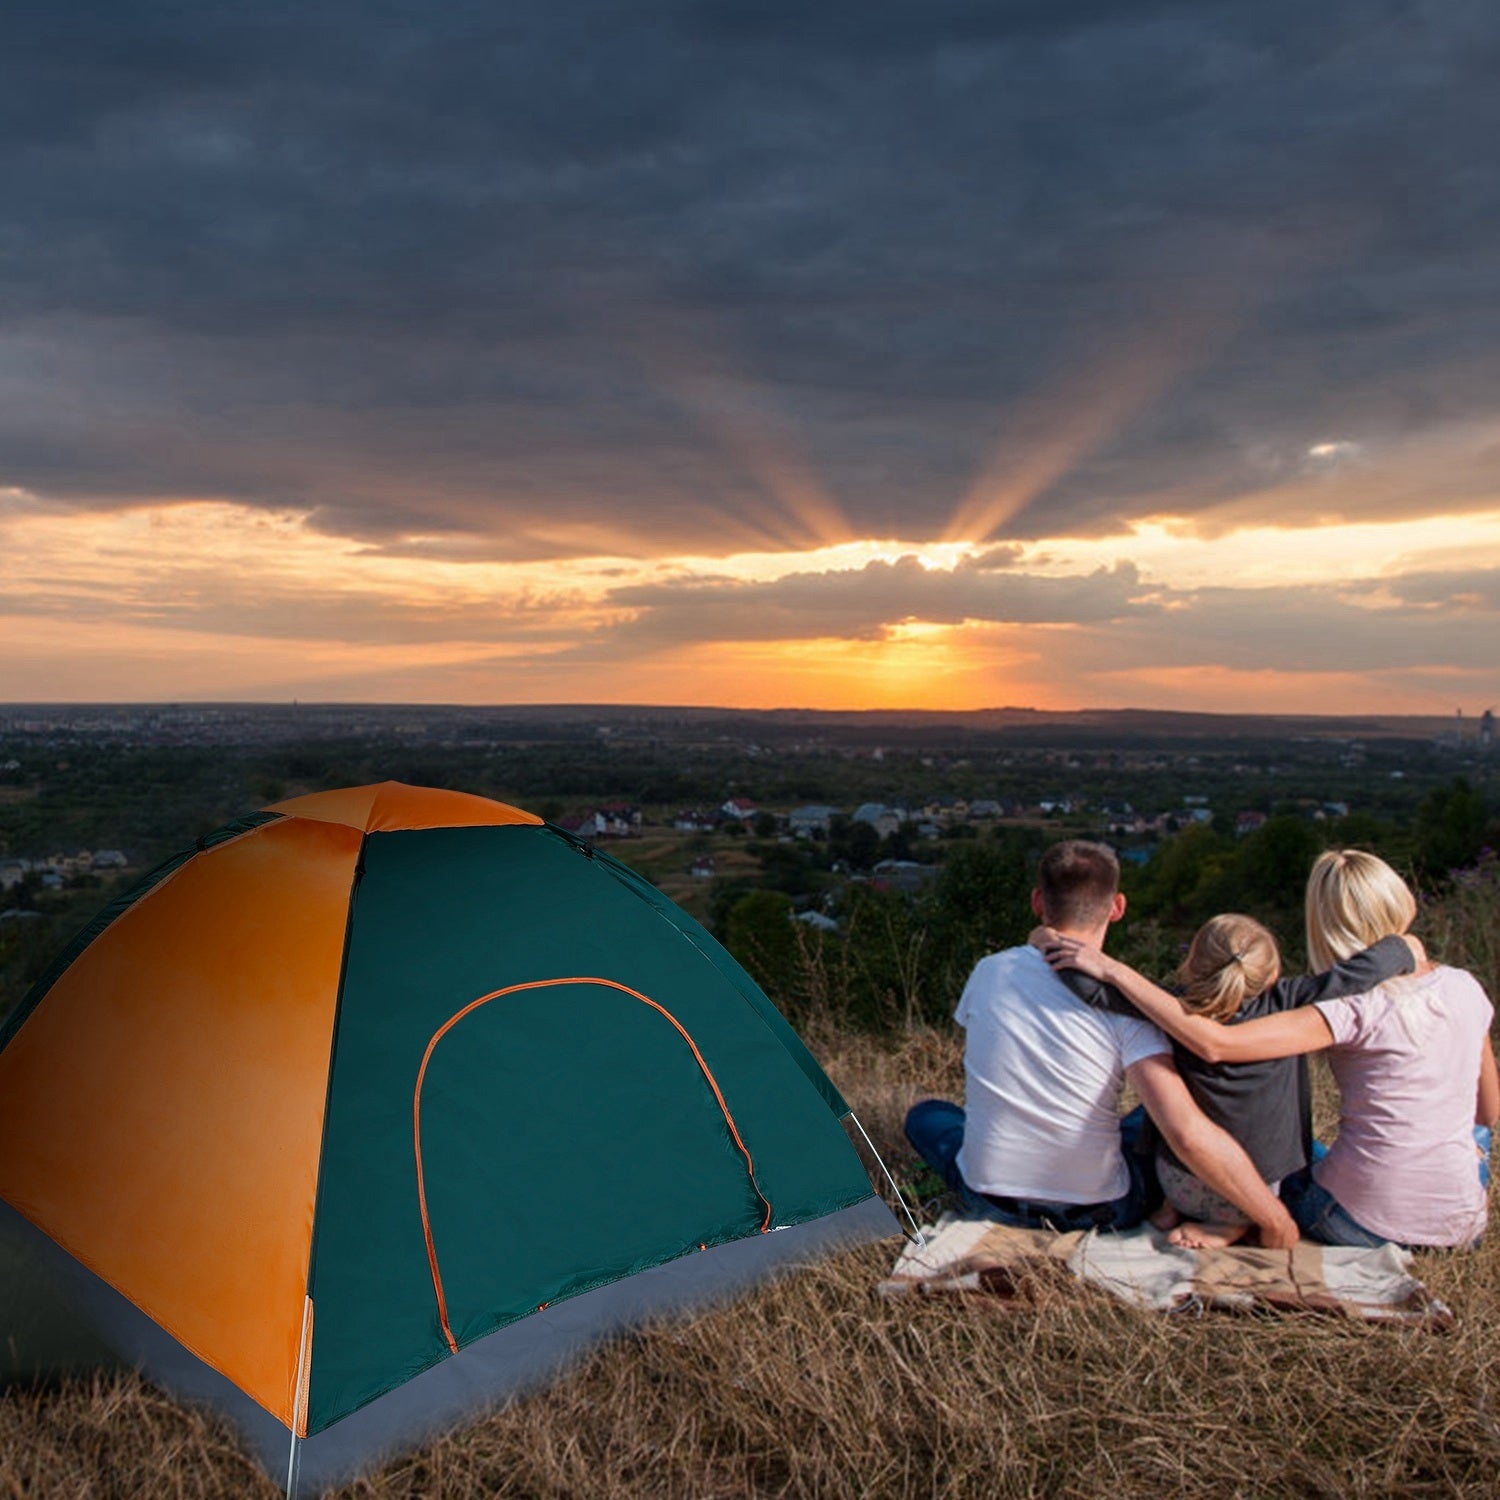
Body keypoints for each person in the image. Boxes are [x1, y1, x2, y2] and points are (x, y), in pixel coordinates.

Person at [1044, 849, 1499, 1251]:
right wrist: (1402, 947)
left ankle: (1205, 1212)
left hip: (1350, 1219)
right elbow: (1488, 1114)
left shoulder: (1345, 1011)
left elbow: (1213, 1042)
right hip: (1461, 1225)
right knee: (1471, 1136)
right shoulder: (1465, 986)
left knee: (1159, 1116)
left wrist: (1069, 949)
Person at [904, 839, 1297, 1245]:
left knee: (926, 1116)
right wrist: (1275, 1219)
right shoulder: (1127, 1006)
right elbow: (1184, 1132)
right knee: (1154, 1117)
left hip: (989, 1198)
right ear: (1118, 907)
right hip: (1101, 1209)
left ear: (1038, 902)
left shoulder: (989, 971)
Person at [1051, 912, 1416, 1248]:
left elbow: (1092, 990)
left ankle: (1170, 1207)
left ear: (1191, 964)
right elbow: (1356, 975)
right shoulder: (1288, 1001)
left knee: (1154, 1109)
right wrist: (1403, 947)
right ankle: (1233, 1225)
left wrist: (1047, 940)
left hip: (1177, 1182)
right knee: (1298, 1148)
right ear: (1270, 974)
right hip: (1256, 1192)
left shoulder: (1169, 1006)